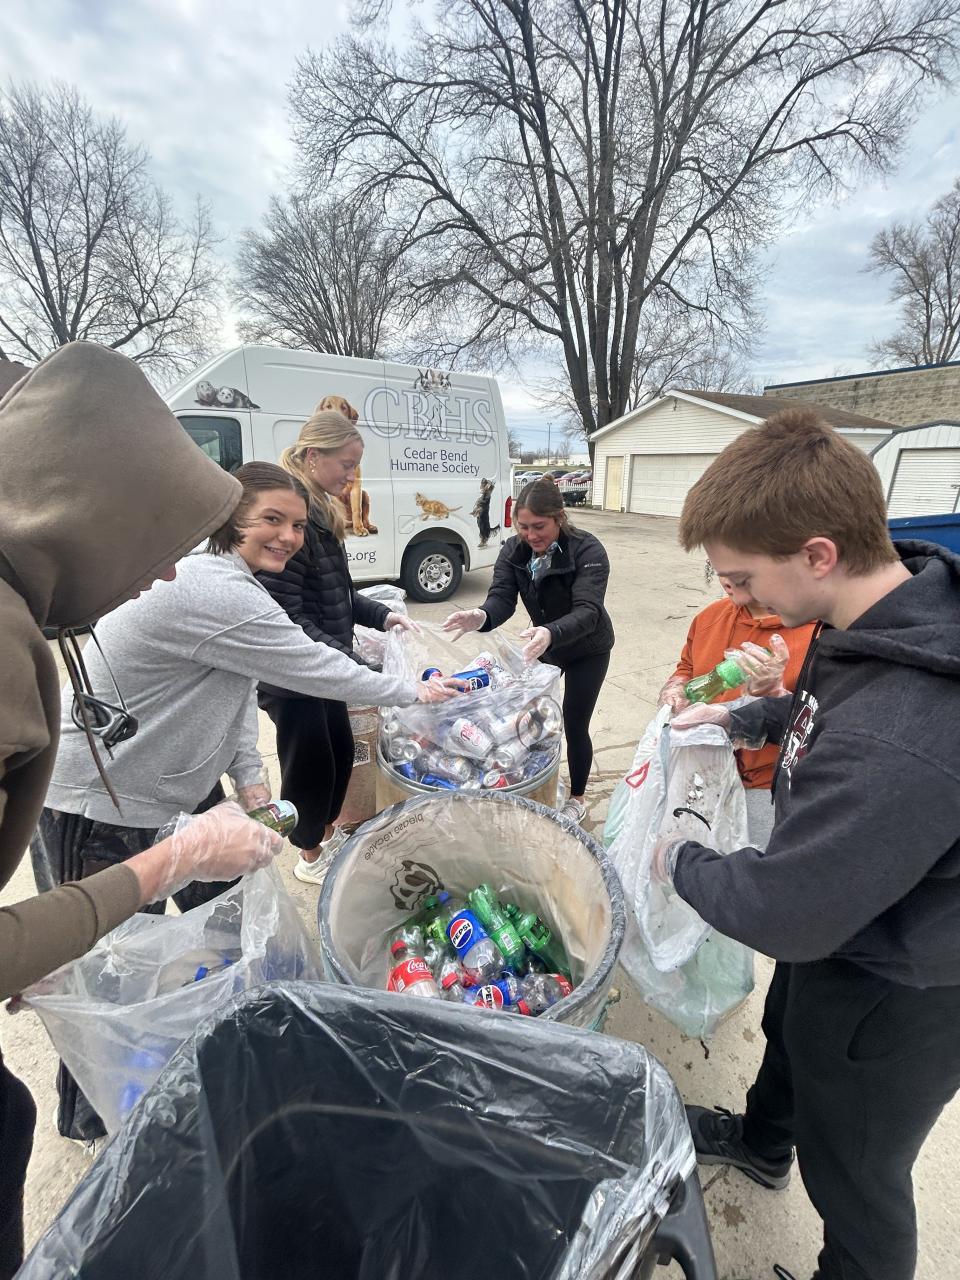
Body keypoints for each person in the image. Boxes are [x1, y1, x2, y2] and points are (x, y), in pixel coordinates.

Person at [31, 460, 460, 1142]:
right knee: (108, 971)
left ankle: (246, 1042)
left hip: (181, 790)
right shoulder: (213, 587)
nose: (288, 536)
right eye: (271, 520)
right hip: (103, 800)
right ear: (228, 520)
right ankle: (95, 1124)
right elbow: (311, 665)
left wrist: (251, 779)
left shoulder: (239, 587)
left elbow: (232, 692)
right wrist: (413, 691)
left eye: (298, 525)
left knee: (233, 922)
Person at [655, 408, 960, 1280]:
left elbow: (787, 912)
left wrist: (681, 857)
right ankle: (762, 1142)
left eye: (744, 579)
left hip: (896, 979)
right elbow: (828, 710)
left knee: (855, 1165)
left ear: (818, 554)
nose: (739, 601)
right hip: (846, 922)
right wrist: (750, 715)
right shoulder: (880, 617)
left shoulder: (906, 731)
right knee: (789, 1035)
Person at [0, 344, 284, 1278]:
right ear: (94, 516)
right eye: (159, 543)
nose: (164, 578)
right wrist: (170, 863)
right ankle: (95, 1124)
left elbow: (238, 699)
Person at [258, 409, 419, 883]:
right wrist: (356, 665)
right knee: (308, 772)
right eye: (346, 465)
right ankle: (308, 857)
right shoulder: (295, 525)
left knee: (340, 757)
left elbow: (339, 593)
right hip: (295, 678)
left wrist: (382, 615)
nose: (352, 476)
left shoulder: (321, 514)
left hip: (325, 672)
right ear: (313, 456)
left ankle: (323, 838)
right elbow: (290, 618)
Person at [442, 478, 614, 824]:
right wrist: (481, 616)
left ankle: (577, 797)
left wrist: (551, 632)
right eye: (523, 526)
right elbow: (502, 598)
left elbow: (588, 610)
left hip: (587, 648)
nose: (531, 535)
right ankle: (537, 780)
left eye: (539, 526)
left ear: (559, 517)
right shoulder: (513, 550)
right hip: (544, 643)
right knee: (530, 720)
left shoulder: (587, 550)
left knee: (574, 722)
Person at [657, 576, 816, 847]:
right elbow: (687, 666)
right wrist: (677, 687)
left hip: (768, 788)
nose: (727, 579)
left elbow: (828, 723)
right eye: (719, 567)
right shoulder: (710, 618)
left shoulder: (816, 635)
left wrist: (776, 699)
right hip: (701, 775)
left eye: (739, 567)